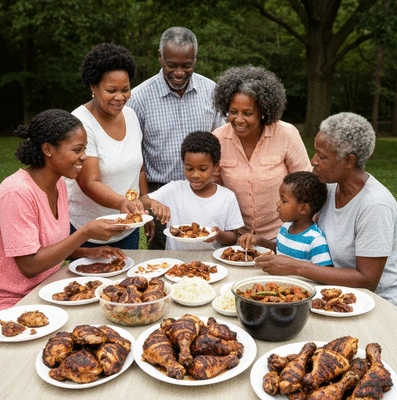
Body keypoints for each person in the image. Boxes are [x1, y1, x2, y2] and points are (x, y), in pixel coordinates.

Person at [255, 112, 397, 308]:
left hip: (374, 303)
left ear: (349, 161)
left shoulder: (375, 206)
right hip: (330, 292)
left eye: (322, 156)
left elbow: (367, 280)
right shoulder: (330, 187)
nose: (313, 161)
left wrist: (296, 267)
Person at [0, 109, 129, 310]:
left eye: (85, 149)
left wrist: (87, 252)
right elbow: (29, 266)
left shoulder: (59, 183)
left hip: (50, 288)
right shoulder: (16, 193)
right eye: (77, 150)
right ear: (48, 149)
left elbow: (47, 246)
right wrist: (85, 232)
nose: (84, 157)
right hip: (15, 302)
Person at [127, 26, 225, 249]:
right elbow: (136, 158)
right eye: (172, 65)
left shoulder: (213, 92)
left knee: (204, 255)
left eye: (186, 65)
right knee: (164, 260)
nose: (179, 72)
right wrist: (146, 204)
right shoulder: (139, 98)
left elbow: (224, 142)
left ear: (195, 59)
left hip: (204, 192)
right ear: (161, 57)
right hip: (160, 195)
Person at [66, 42, 152, 250]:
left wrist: (144, 201)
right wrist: (123, 203)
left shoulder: (131, 116)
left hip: (126, 226)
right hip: (89, 230)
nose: (120, 97)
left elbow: (138, 167)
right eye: (111, 90)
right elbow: (89, 181)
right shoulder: (80, 123)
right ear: (93, 87)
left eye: (125, 89)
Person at [212, 65, 312, 241]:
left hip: (281, 235)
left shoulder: (286, 134)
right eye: (233, 112)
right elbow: (215, 188)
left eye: (248, 113)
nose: (239, 119)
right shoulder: (218, 139)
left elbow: (306, 184)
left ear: (263, 112)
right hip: (236, 237)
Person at [139, 131, 244, 250]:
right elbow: (140, 202)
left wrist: (219, 235)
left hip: (211, 262)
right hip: (176, 261)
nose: (195, 175)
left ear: (216, 166)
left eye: (203, 169)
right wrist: (153, 203)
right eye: (189, 168)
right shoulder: (174, 190)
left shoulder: (227, 197)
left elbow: (233, 237)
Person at [239, 171, 332, 266]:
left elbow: (325, 272)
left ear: (303, 209)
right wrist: (260, 241)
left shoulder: (315, 240)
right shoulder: (285, 227)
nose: (278, 204)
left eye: (284, 201)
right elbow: (280, 251)